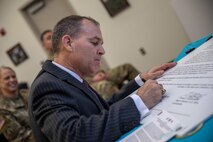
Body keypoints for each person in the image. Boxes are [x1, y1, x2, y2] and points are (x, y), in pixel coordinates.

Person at [28, 15, 177, 142]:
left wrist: (140, 81)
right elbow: (74, 135)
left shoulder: (68, 76)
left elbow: (102, 108)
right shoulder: (47, 86)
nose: (102, 51)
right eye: (94, 42)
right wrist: (139, 102)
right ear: (68, 43)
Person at [0, 66, 34, 142]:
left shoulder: (27, 93)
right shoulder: (2, 109)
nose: (12, 80)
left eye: (13, 76)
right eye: (7, 78)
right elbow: (20, 137)